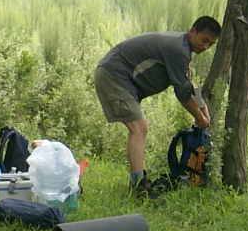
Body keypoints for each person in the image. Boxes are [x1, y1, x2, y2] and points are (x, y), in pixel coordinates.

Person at [94, 16, 220, 196]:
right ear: (193, 31)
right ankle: (139, 186)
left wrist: (204, 110)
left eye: (211, 44)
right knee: (139, 128)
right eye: (204, 40)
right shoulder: (178, 50)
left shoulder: (183, 48)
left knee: (139, 128)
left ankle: (139, 181)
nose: (206, 47)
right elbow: (183, 94)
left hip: (123, 79)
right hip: (114, 75)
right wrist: (200, 119)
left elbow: (189, 86)